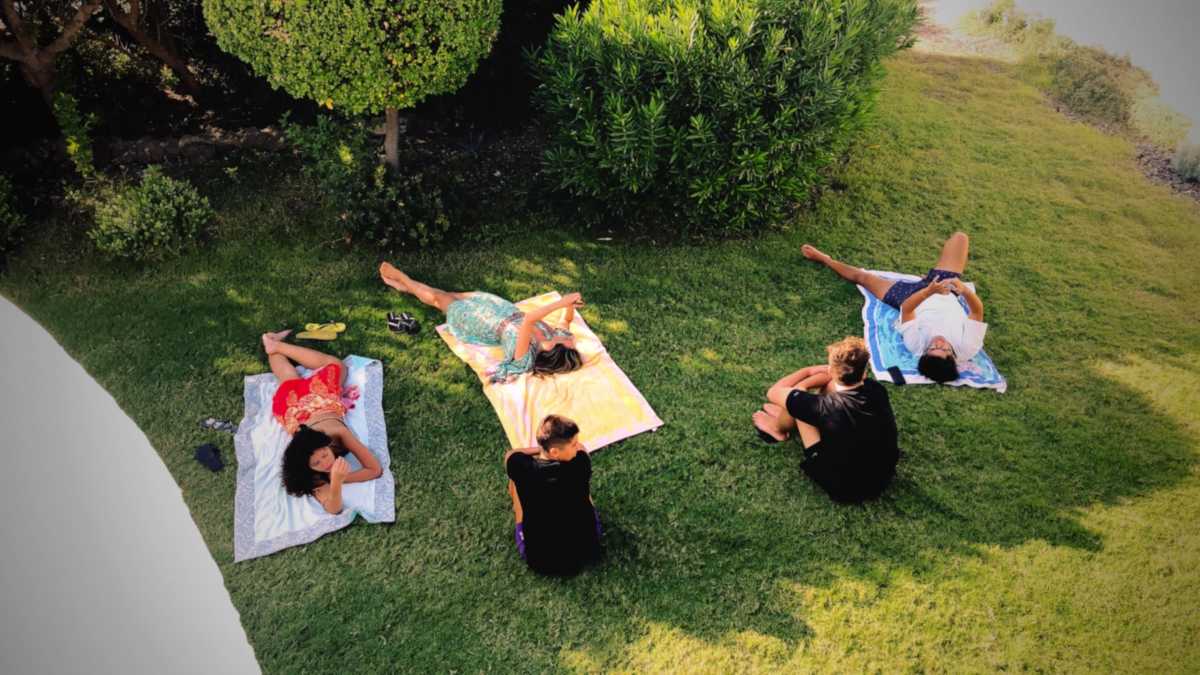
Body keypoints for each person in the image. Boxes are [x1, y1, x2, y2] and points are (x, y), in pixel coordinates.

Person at [801, 232, 986, 383]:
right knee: (960, 238)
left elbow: (907, 309)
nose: (937, 343)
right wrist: (964, 291)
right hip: (947, 289)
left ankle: (825, 259)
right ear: (953, 357)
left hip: (910, 296)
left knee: (862, 278)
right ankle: (929, 278)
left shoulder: (916, 345)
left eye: (932, 348)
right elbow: (977, 312)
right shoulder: (968, 347)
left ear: (925, 353)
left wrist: (928, 291)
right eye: (943, 348)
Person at [379, 262, 584, 383]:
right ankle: (408, 288)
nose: (567, 338)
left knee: (438, 298)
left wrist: (561, 302)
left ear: (552, 350)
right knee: (450, 295)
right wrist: (570, 306)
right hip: (502, 309)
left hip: (481, 323)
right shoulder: (554, 338)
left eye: (565, 342)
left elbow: (529, 320)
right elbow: (565, 321)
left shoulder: (525, 357)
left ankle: (402, 278)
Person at [754, 336, 899, 503]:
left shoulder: (823, 406)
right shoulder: (877, 390)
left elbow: (773, 392)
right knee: (800, 401)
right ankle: (787, 411)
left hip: (845, 486)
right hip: (882, 475)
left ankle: (777, 429)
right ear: (864, 371)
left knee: (799, 406)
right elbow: (833, 383)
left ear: (830, 369)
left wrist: (808, 372)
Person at [262, 330, 383, 514]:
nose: (325, 464)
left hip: (311, 403)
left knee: (337, 366)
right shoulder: (308, 466)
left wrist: (340, 478)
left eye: (325, 455)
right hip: (291, 407)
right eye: (317, 463)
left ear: (326, 444)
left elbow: (374, 469)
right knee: (289, 378)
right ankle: (273, 345)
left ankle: (275, 346)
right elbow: (333, 509)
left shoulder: (338, 434)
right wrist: (336, 482)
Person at [504, 415, 602, 576]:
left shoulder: (521, 467)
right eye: (573, 444)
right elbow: (583, 448)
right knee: (583, 488)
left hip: (542, 561)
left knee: (515, 481)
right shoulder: (580, 464)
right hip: (587, 550)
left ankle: (518, 515)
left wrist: (541, 450)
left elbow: (511, 454)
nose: (576, 447)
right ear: (555, 452)